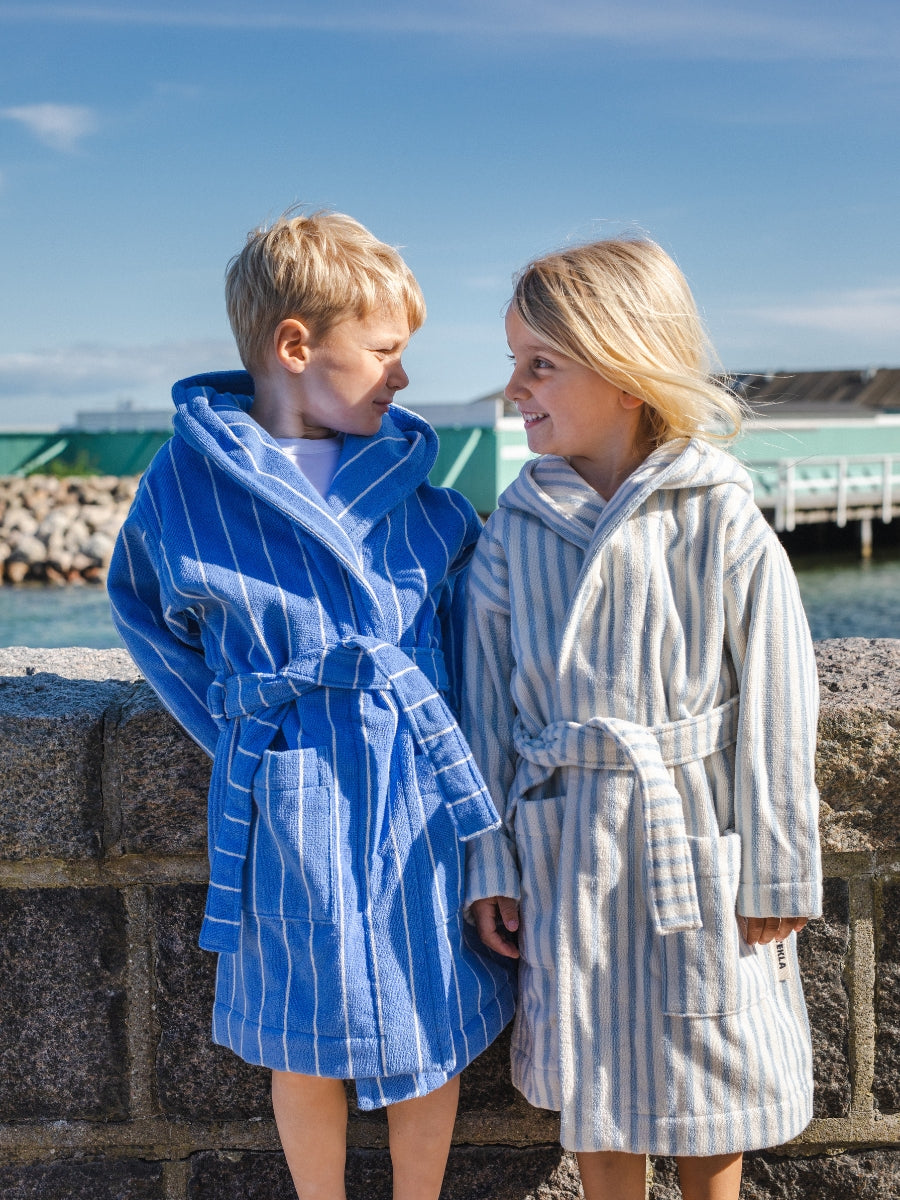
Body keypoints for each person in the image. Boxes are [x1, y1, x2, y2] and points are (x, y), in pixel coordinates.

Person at [107, 210, 514, 1200]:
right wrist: (239, 727)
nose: (402, 377)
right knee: (301, 1026)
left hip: (417, 795)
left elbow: (475, 637)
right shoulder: (188, 484)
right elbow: (145, 611)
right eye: (384, 351)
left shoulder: (420, 487)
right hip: (289, 796)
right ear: (295, 345)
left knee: (429, 1015)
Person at [464, 236, 821, 1200]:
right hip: (566, 841)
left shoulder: (720, 517)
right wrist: (491, 861)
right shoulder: (515, 531)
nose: (514, 389)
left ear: (625, 373)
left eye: (540, 364)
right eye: (513, 362)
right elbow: (484, 715)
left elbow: (779, 701)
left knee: (712, 1079)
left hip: (694, 837)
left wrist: (778, 863)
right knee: (596, 1081)